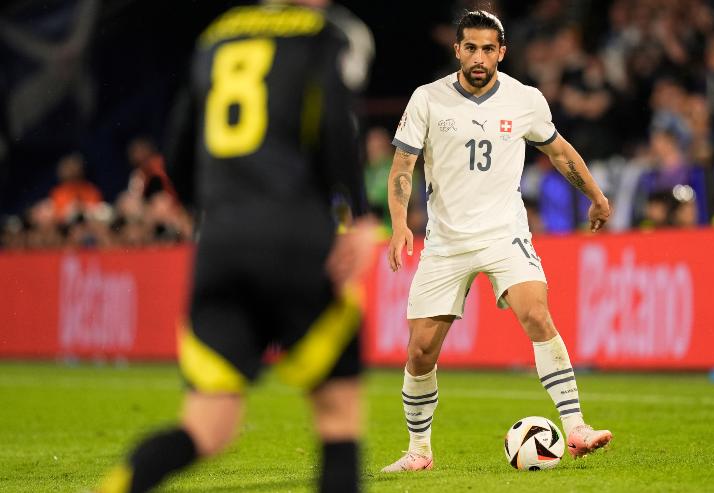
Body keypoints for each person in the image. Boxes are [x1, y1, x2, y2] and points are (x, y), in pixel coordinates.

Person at [96, 1, 375, 492]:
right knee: (337, 416)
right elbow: (334, 123)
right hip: (296, 240)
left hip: (222, 245)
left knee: (206, 426)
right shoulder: (322, 34)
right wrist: (361, 215)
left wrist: (204, 210)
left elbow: (179, 141)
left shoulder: (217, 35)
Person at [382, 10, 613, 472]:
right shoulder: (428, 99)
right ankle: (419, 451)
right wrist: (399, 223)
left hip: (505, 233)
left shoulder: (525, 99)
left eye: (488, 49)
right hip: (445, 241)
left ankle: (576, 428)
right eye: (471, 47)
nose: (479, 57)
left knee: (537, 313)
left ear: (502, 52)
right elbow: (402, 168)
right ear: (457, 50)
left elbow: (560, 151)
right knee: (421, 351)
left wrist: (596, 197)